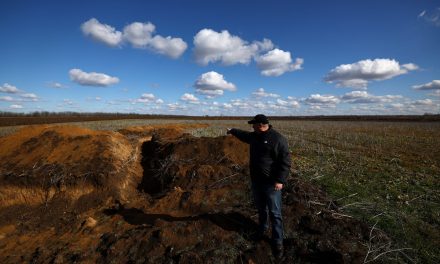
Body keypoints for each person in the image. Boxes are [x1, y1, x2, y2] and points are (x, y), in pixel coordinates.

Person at [227, 114, 291, 258]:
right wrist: (232, 130)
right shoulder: (255, 136)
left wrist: (280, 180)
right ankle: (262, 230)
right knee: (261, 208)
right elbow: (244, 135)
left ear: (261, 125)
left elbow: (285, 162)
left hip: (271, 184)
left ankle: (278, 241)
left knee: (275, 213)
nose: (252, 127)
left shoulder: (278, 139)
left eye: (254, 125)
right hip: (256, 181)